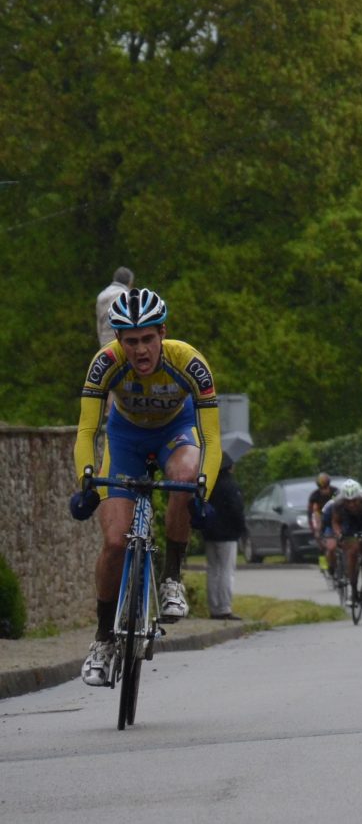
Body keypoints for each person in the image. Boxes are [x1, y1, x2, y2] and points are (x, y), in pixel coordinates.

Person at [69, 287, 222, 686]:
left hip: (175, 432)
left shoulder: (189, 361)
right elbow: (87, 430)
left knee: (185, 478)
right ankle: (103, 639)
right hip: (125, 441)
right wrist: (86, 481)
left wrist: (201, 492)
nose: (140, 350)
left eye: (148, 339)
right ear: (119, 341)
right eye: (131, 341)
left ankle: (171, 577)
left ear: (162, 334)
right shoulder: (104, 364)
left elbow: (211, 440)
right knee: (116, 543)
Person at [202, 452, 246, 620]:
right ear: (230, 467)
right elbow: (237, 510)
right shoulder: (231, 486)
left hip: (210, 532)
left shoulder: (209, 485)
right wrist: (241, 529)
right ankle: (225, 607)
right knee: (227, 570)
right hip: (228, 534)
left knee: (213, 570)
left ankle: (214, 608)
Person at [94, 267, 134, 347]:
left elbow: (99, 323)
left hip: (104, 341)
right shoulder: (126, 295)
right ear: (129, 281)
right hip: (122, 342)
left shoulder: (102, 295)